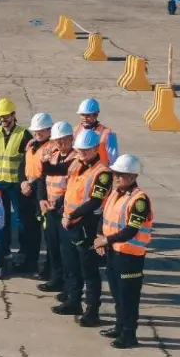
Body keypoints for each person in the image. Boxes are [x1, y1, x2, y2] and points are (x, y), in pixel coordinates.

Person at [52, 130, 111, 327]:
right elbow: (70, 189)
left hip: (86, 224)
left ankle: (92, 311)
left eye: (86, 151)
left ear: (95, 149)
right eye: (80, 150)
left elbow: (95, 201)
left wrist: (72, 215)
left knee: (89, 270)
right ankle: (73, 300)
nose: (82, 153)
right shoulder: (76, 163)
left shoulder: (102, 173)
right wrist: (59, 204)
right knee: (71, 265)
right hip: (69, 222)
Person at [93, 154, 153, 349]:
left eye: (122, 175)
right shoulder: (115, 192)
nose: (117, 177)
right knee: (117, 294)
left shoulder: (139, 200)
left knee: (128, 297)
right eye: (115, 174)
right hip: (114, 253)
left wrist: (106, 240)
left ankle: (129, 334)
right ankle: (119, 327)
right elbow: (104, 217)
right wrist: (100, 237)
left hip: (130, 256)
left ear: (134, 177)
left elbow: (131, 230)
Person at [36, 121, 77, 294]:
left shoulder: (75, 160)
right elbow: (42, 179)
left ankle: (68, 285)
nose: (60, 144)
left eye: (63, 140)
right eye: (57, 140)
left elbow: (72, 189)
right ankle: (56, 279)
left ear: (71, 139)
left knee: (66, 251)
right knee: (52, 247)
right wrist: (41, 199)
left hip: (63, 210)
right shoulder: (52, 156)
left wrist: (56, 204)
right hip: (49, 209)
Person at [0, 98, 32, 267]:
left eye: (6, 116)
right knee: (2, 219)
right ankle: (4, 249)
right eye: (0, 117)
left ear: (13, 115)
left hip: (15, 184)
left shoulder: (23, 134)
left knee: (21, 219)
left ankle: (23, 251)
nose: (3, 120)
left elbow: (28, 162)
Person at [17, 112, 53, 274]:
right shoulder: (31, 145)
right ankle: (30, 261)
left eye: (42, 130)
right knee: (29, 231)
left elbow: (48, 174)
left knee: (49, 234)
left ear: (49, 130)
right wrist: (23, 182)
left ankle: (50, 267)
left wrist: (31, 184)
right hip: (28, 193)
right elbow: (22, 166)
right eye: (36, 131)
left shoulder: (52, 148)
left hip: (43, 195)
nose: (38, 133)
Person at [74, 98, 118, 165]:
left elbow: (113, 159)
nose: (85, 118)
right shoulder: (76, 130)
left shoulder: (108, 135)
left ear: (96, 115)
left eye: (88, 115)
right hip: (81, 169)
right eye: (82, 115)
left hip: (99, 171)